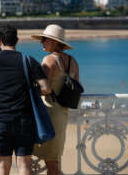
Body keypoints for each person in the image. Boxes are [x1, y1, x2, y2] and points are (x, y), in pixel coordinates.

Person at [0, 25, 51, 175]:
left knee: (2, 166)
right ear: (17, 41)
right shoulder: (28, 60)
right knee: (24, 166)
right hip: (23, 120)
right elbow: (46, 88)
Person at [31, 24, 80, 175]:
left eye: (44, 39)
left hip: (48, 114)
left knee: (50, 164)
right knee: (53, 160)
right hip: (63, 113)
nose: (42, 42)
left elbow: (41, 87)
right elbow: (78, 87)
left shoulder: (49, 60)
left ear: (54, 42)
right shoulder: (73, 61)